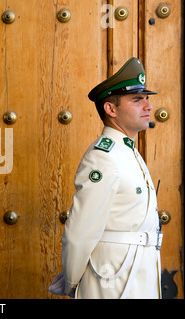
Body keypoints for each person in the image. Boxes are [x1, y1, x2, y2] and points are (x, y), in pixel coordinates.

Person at [49, 57, 162, 299]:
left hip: (138, 277)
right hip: (113, 284)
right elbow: (81, 231)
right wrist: (72, 283)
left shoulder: (129, 151)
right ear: (110, 109)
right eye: (137, 99)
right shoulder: (103, 157)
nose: (148, 106)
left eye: (147, 98)